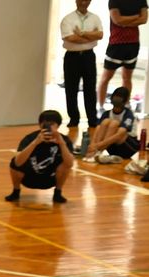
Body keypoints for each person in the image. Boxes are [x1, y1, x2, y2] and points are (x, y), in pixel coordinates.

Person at [4, 110, 74, 204]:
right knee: (14, 162)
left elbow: (69, 164)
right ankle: (16, 191)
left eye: (52, 124)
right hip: (28, 178)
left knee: (65, 164)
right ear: (40, 125)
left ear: (58, 126)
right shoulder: (30, 138)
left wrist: (61, 143)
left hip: (50, 178)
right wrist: (35, 142)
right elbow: (17, 163)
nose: (48, 128)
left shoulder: (64, 140)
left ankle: (58, 193)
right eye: (45, 124)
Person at [60, 0, 103, 130]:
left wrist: (82, 33)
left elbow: (100, 35)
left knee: (90, 88)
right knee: (71, 88)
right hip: (72, 57)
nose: (83, 2)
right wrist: (91, 36)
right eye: (81, 0)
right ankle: (74, 118)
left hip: (89, 56)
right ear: (76, 1)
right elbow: (70, 38)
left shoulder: (95, 18)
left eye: (86, 0)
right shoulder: (68, 19)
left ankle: (92, 119)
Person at [97, 0, 148, 110]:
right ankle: (100, 107)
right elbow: (117, 20)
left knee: (127, 78)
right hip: (116, 44)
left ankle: (126, 104)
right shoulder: (114, 1)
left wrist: (125, 22)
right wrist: (135, 17)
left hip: (133, 44)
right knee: (106, 78)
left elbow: (144, 19)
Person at [84, 86, 140, 163]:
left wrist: (98, 145)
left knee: (114, 124)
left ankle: (97, 151)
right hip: (111, 147)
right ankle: (96, 153)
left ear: (125, 100)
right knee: (105, 122)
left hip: (129, 147)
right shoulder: (106, 113)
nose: (116, 99)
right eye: (115, 96)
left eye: (119, 97)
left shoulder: (128, 114)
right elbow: (98, 129)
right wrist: (93, 144)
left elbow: (120, 134)